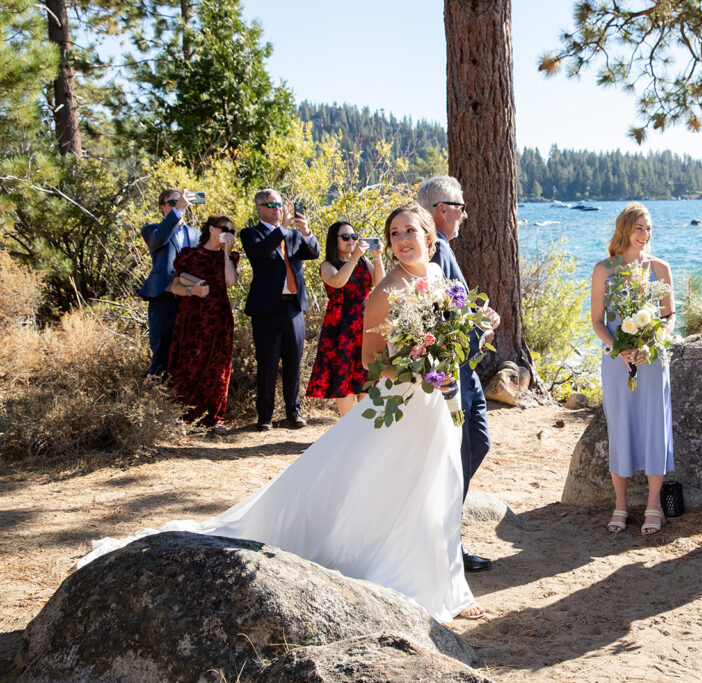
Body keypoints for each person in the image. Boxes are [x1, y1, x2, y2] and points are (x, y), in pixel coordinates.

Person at [78, 201, 485, 622]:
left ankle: (450, 586)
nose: (401, 241)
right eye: (394, 234)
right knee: (396, 483)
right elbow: (368, 360)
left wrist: (460, 340)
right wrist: (414, 364)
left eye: (409, 232)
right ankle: (405, 579)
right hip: (403, 401)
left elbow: (454, 332)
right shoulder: (384, 292)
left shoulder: (439, 278)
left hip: (441, 399)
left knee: (442, 481)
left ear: (429, 236)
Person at [418, 175, 500, 573]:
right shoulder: (436, 252)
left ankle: (445, 531)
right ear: (440, 210)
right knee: (459, 453)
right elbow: (439, 313)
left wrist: (481, 322)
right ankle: (446, 539)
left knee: (477, 444)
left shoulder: (444, 250)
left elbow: (457, 308)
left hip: (466, 368)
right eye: (460, 206)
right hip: (453, 372)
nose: (465, 214)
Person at [589, 202, 675, 535]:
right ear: (624, 230)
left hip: (653, 361)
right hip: (616, 361)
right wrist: (619, 348)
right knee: (620, 426)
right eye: (639, 228)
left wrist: (653, 343)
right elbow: (597, 321)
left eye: (649, 228)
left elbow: (669, 318)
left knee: (655, 424)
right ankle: (621, 505)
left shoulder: (661, 268)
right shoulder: (604, 269)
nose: (645, 234)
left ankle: (654, 503)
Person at [240, 189, 320, 431]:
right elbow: (260, 252)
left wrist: (306, 232)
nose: (277, 208)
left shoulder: (293, 234)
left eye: (279, 203)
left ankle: (293, 412)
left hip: (294, 307)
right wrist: (282, 229)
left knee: (294, 362)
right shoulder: (251, 233)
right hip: (267, 309)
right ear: (259, 208)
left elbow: (314, 253)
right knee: (267, 363)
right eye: (271, 204)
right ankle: (264, 416)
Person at [165, 215, 240, 436]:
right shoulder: (190, 254)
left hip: (219, 319)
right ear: (211, 229)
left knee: (218, 370)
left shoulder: (230, 256)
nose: (229, 233)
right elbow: (175, 285)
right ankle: (182, 417)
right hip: (193, 319)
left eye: (232, 231)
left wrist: (226, 253)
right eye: (225, 228)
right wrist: (193, 291)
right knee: (188, 365)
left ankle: (215, 419)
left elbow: (231, 281)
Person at [306, 220, 384, 417]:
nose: (351, 241)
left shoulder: (363, 262)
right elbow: (337, 282)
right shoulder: (328, 265)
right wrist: (354, 257)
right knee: (343, 374)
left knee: (366, 374)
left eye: (354, 236)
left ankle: (363, 425)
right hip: (340, 327)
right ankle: (347, 424)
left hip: (365, 325)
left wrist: (377, 258)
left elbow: (380, 285)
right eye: (346, 237)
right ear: (335, 240)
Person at [138, 189, 201, 379]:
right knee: (161, 354)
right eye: (173, 203)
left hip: (189, 300)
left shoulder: (196, 234)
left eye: (180, 202)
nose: (178, 206)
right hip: (163, 301)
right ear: (163, 207)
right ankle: (156, 401)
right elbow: (160, 239)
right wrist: (177, 211)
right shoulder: (152, 230)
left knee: (188, 354)